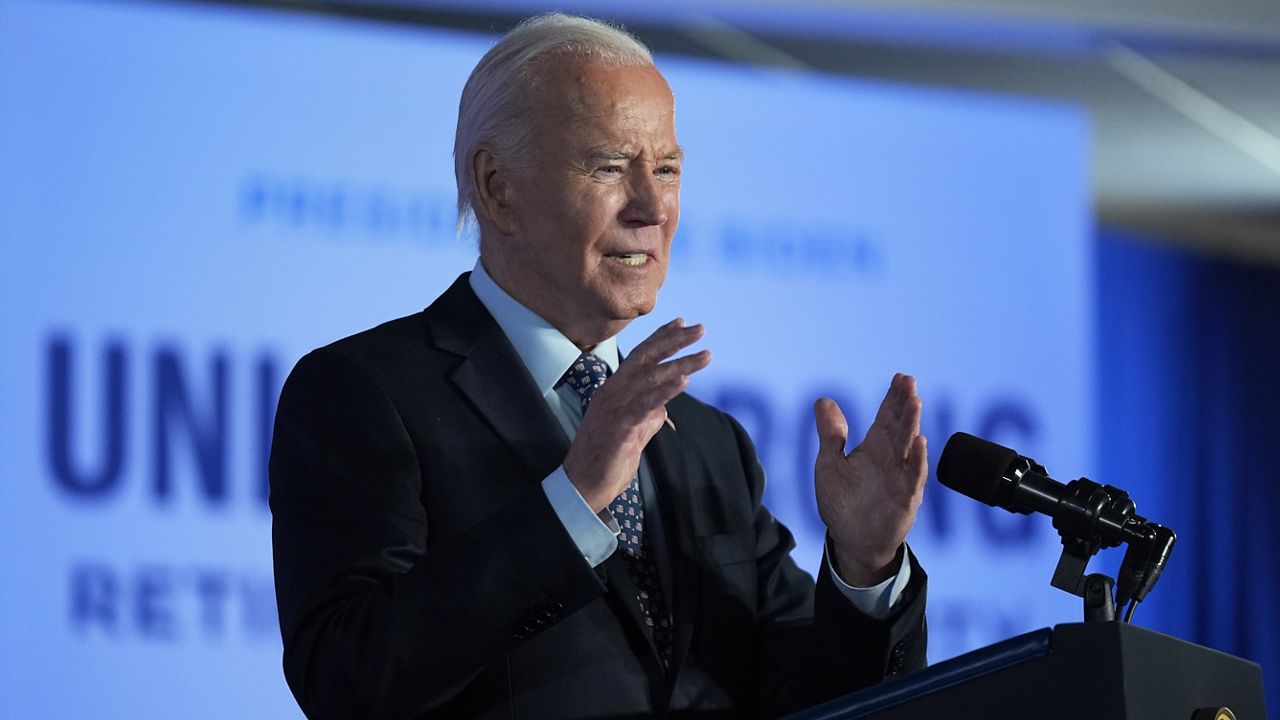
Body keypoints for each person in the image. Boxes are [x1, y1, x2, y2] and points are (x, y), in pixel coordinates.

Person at [269, 12, 928, 719]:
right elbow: (345, 679)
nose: (650, 207)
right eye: (608, 167)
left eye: (667, 169)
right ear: (496, 188)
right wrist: (573, 500)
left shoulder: (710, 446)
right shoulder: (366, 392)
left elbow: (806, 698)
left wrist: (864, 569)